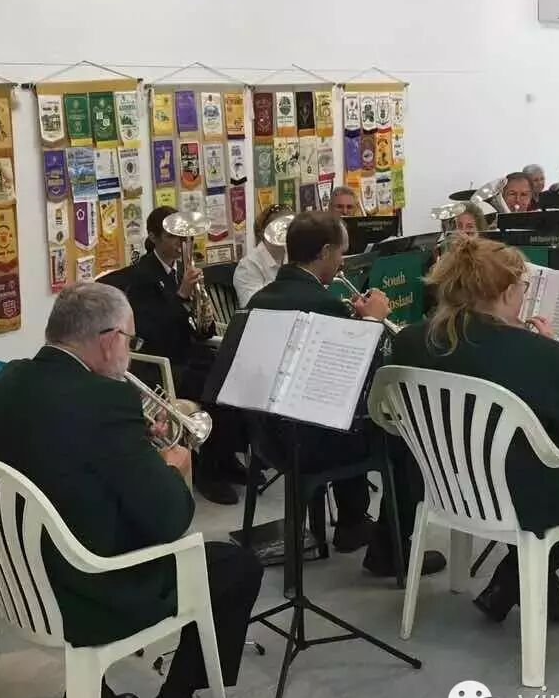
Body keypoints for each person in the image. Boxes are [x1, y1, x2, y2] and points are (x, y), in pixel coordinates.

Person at [0, 283, 264, 698]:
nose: (130, 350)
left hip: (17, 579)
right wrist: (174, 466)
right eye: (131, 340)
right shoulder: (105, 401)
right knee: (237, 567)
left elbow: (67, 457)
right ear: (110, 340)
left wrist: (133, 446)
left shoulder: (9, 380)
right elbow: (170, 520)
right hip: (86, 591)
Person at [390, 236, 559, 623]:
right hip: (516, 497)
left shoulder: (409, 342)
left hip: (442, 487)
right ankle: (510, 579)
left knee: (513, 457)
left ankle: (522, 585)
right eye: (523, 287)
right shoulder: (545, 355)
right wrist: (551, 350)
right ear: (507, 293)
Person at [247, 211, 445, 576]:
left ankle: (353, 521)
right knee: (406, 440)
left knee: (347, 416)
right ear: (324, 252)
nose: (343, 261)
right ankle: (390, 550)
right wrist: (371, 323)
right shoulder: (324, 304)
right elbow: (357, 376)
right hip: (308, 441)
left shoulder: (260, 298)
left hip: (265, 437)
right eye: (341, 253)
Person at [118, 206, 246, 505]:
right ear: (153, 237)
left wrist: (204, 315)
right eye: (173, 237)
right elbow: (150, 332)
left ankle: (227, 457)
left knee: (233, 376)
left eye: (184, 237)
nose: (181, 243)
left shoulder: (182, 270)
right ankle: (208, 470)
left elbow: (198, 329)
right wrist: (182, 295)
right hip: (160, 362)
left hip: (187, 353)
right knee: (210, 387)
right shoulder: (142, 276)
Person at [233, 204, 289, 307]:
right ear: (263, 232)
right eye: (279, 227)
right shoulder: (247, 266)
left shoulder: (295, 256)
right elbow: (253, 306)